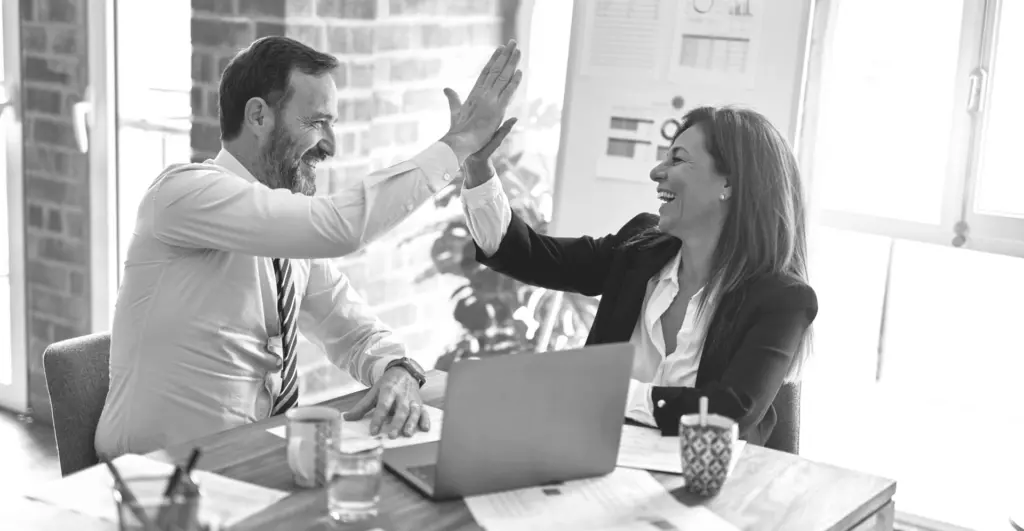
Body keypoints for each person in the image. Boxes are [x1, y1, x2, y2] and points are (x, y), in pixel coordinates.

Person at [95, 36, 522, 457]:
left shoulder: (285, 235)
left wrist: (396, 368)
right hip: (154, 482)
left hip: (250, 463)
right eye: (317, 122)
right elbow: (341, 227)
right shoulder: (183, 195)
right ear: (259, 116)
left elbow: (353, 330)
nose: (330, 146)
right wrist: (459, 143)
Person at [459, 106, 817, 449]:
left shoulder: (782, 299)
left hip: (703, 490)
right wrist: (477, 168)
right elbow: (530, 256)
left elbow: (729, 412)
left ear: (729, 183)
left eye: (677, 159)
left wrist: (608, 392)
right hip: (592, 461)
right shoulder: (640, 248)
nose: (657, 172)